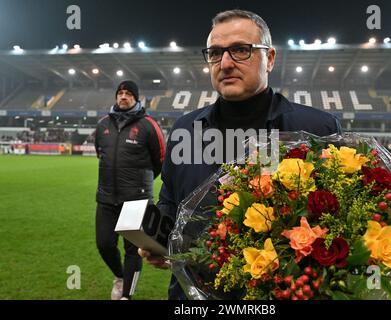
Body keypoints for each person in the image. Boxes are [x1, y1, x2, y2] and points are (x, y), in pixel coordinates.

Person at [139, 9, 341, 299]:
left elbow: (335, 222)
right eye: (215, 52)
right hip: (190, 297)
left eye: (240, 50)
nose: (225, 63)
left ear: (269, 58)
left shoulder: (316, 129)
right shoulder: (185, 128)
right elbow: (171, 198)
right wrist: (160, 241)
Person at [94, 80, 166, 300]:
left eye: (128, 94)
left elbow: (160, 160)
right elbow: (100, 153)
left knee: (133, 251)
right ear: (116, 97)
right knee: (104, 244)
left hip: (136, 199)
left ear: (136, 98)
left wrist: (140, 184)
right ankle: (120, 276)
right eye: (120, 93)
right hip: (106, 198)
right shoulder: (102, 125)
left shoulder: (148, 125)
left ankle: (127, 295)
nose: (123, 96)